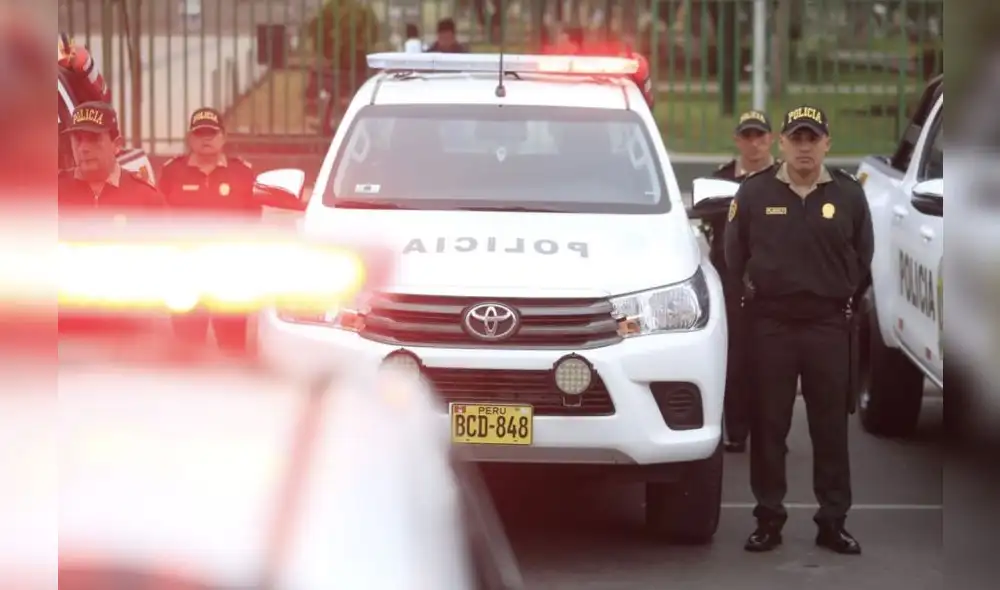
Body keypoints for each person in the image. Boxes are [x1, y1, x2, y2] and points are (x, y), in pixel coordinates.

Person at [724, 106, 874, 555]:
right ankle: (768, 519)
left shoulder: (848, 195)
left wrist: (839, 290)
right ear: (782, 143)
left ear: (827, 143)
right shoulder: (753, 193)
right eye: (797, 138)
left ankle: (833, 522)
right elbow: (735, 254)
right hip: (773, 324)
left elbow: (863, 255)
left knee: (831, 429)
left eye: (813, 138)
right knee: (770, 426)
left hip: (829, 324)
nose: (805, 146)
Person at [157, 107, 258, 352]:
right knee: (187, 350)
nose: (206, 139)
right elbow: (160, 221)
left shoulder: (242, 173)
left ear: (223, 137)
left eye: (211, 133)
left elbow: (253, 222)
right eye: (200, 133)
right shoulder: (172, 173)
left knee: (233, 348)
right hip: (186, 273)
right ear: (190, 138)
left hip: (229, 273)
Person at [710, 110, 776, 453]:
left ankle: (770, 432)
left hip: (776, 283)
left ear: (772, 139)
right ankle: (736, 430)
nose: (754, 143)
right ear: (737, 140)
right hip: (731, 281)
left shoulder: (787, 179)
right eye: (747, 136)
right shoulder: (719, 181)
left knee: (773, 361)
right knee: (735, 357)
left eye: (760, 136)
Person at [57, 101, 165, 211]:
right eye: (78, 139)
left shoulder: (145, 198)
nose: (83, 148)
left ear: (116, 144)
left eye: (93, 138)